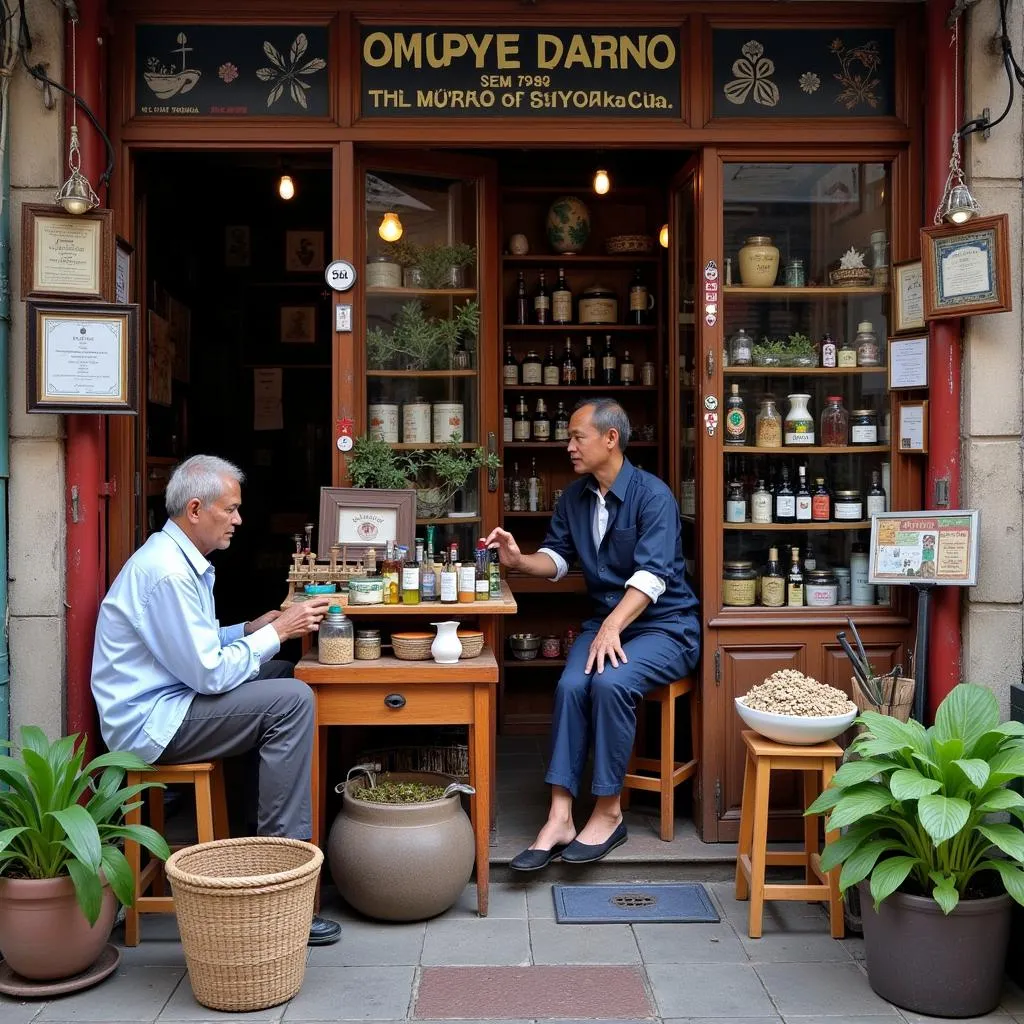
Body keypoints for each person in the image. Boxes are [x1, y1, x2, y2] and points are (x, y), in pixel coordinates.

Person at [91, 454, 341, 945]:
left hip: (171, 702)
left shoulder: (178, 559)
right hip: (152, 724)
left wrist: (250, 630)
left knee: (282, 673)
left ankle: (253, 837)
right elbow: (207, 673)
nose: (239, 520)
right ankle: (280, 884)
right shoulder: (168, 573)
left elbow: (192, 647)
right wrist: (281, 630)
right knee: (291, 700)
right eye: (231, 510)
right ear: (196, 509)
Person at [485, 399, 699, 870]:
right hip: (609, 623)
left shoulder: (654, 496)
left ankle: (607, 811)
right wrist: (520, 561)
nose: (568, 447)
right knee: (570, 684)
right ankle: (560, 814)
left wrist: (610, 626)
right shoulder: (575, 497)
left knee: (609, 682)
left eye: (577, 437)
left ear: (610, 439)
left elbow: (653, 577)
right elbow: (558, 558)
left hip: (666, 626)